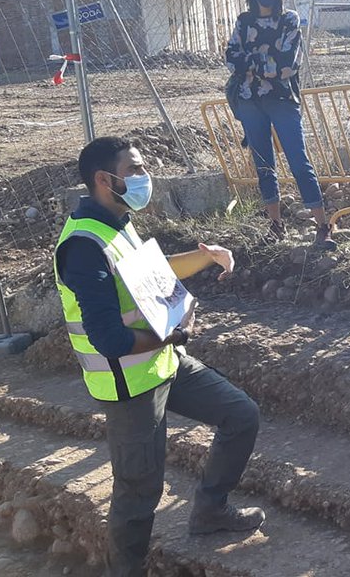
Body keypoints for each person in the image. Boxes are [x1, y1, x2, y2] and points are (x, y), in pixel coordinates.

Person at [56, 137, 264, 576]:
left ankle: (209, 511)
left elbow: (151, 272)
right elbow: (109, 338)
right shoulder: (83, 246)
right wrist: (173, 337)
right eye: (134, 169)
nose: (144, 177)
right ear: (103, 179)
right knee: (138, 492)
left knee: (241, 414)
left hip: (163, 366)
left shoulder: (115, 222)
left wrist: (204, 258)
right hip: (128, 381)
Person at [226, 0, 336, 249]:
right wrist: (265, 63)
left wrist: (250, 64)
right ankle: (275, 225)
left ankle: (322, 227)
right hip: (249, 101)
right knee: (263, 165)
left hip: (283, 100)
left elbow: (288, 64)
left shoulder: (289, 20)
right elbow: (231, 58)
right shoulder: (244, 21)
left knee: (299, 161)